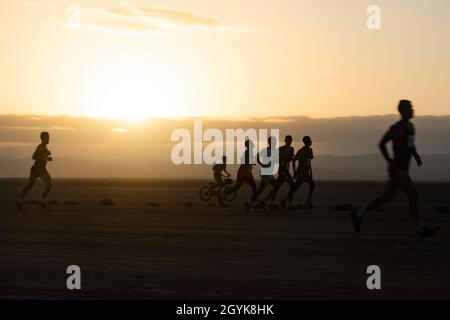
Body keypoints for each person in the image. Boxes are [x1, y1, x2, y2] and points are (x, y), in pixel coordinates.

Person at [350, 100, 439, 239]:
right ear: (403, 111)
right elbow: (381, 144)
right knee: (413, 194)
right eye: (410, 108)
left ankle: (359, 215)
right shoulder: (396, 128)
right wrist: (390, 161)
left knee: (385, 198)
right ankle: (420, 229)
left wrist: (416, 157)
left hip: (403, 169)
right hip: (398, 169)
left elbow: (410, 145)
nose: (413, 110)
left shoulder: (410, 127)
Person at [17, 132, 53, 210]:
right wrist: (44, 153)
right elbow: (34, 157)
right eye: (47, 137)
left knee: (47, 184)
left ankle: (40, 201)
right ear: (43, 138)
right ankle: (21, 200)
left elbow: (43, 158)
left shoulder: (45, 147)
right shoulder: (40, 147)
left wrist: (48, 158)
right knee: (32, 185)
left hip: (41, 168)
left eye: (48, 137)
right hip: (37, 168)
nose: (48, 139)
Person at [258, 135, 295, 208]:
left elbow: (291, 158)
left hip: (286, 170)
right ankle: (288, 202)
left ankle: (265, 201)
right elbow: (277, 159)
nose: (289, 142)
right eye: (288, 140)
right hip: (282, 171)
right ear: (285, 141)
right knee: (292, 185)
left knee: (276, 187)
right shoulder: (281, 149)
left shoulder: (291, 149)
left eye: (290, 140)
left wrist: (294, 167)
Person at [282, 136, 316, 208]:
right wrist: (295, 172)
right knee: (296, 187)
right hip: (301, 171)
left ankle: (285, 200)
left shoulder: (310, 150)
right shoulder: (301, 151)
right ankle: (285, 201)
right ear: (306, 142)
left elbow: (309, 162)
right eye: (309, 140)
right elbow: (294, 160)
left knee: (310, 184)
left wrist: (310, 172)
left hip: (306, 171)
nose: (311, 141)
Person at [224, 140, 257, 209]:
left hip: (244, 170)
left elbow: (245, 161)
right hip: (245, 171)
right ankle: (252, 201)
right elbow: (246, 161)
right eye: (251, 144)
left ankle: (225, 194)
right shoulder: (249, 152)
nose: (253, 145)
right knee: (254, 186)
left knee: (238, 187)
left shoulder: (248, 152)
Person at [251, 136, 278, 204]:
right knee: (262, 189)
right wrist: (262, 164)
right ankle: (252, 201)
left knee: (275, 186)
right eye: (273, 142)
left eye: (275, 142)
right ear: (270, 142)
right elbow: (257, 157)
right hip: (265, 172)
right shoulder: (265, 150)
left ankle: (271, 202)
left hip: (269, 172)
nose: (274, 143)